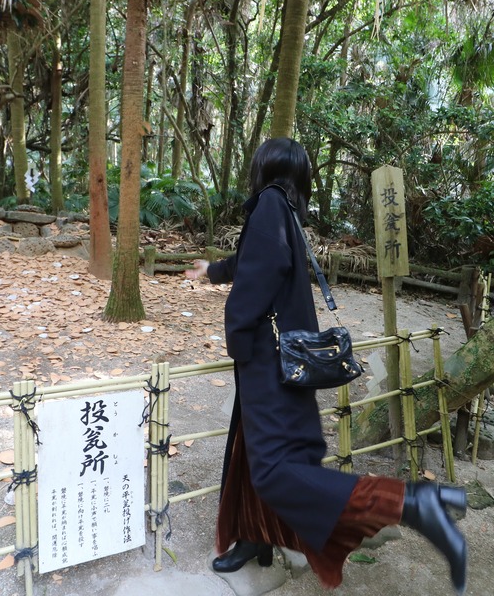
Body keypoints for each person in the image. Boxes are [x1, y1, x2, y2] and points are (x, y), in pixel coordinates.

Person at [185, 137, 467, 594]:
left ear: (266, 168)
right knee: (250, 449)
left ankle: (415, 503)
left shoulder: (269, 208)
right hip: (289, 359)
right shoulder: (286, 212)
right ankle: (254, 537)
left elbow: (258, 278)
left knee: (278, 468)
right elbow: (254, 260)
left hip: (269, 361)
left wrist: (237, 338)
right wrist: (214, 270)